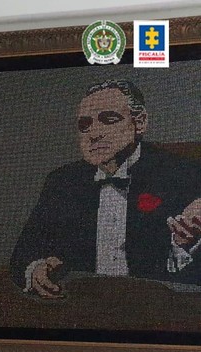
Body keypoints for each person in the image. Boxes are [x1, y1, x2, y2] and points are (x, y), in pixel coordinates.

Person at [11, 79, 201, 298]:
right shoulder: (62, 182)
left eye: (108, 119)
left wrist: (183, 244)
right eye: (84, 125)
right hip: (80, 307)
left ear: (139, 122)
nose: (94, 134)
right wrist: (37, 268)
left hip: (157, 311)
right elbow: (25, 252)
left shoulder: (183, 174)